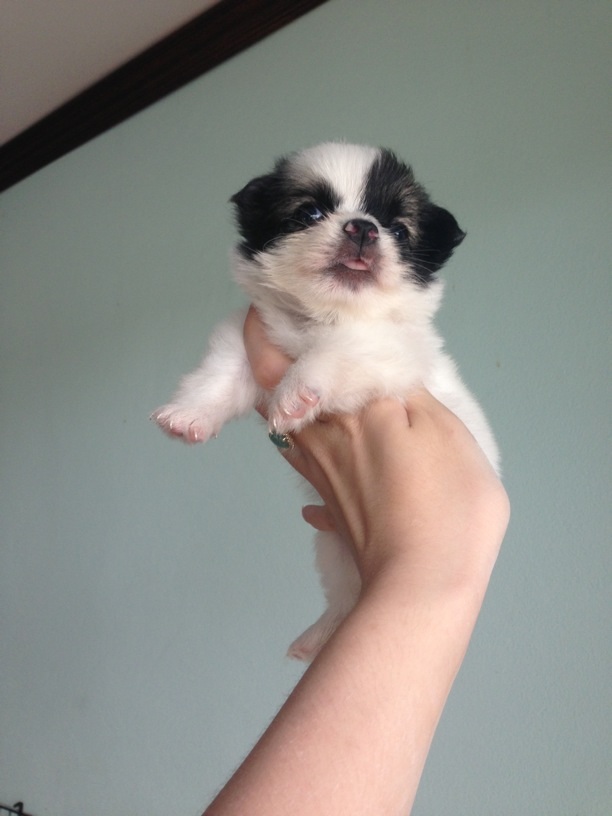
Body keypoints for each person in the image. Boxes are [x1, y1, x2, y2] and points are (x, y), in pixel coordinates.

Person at [203, 307, 510, 816]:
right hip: (435, 514)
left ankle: (341, 612)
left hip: (448, 483)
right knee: (334, 534)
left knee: (338, 535)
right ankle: (341, 613)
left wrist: (431, 559)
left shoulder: (384, 336)